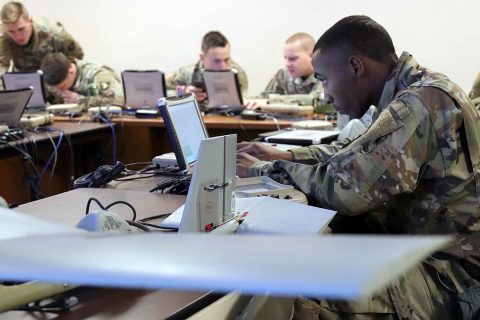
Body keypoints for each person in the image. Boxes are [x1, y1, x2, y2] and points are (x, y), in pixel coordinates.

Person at [237, 15, 480, 319]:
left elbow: (345, 189)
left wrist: (261, 171)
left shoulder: (420, 102)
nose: (325, 94)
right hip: (425, 251)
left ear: (356, 66)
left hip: (452, 277)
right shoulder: (406, 92)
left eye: (324, 79)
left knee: (293, 290)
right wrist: (285, 156)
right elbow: (351, 154)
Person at [0, 1, 83, 73]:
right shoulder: (4, 36)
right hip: (24, 81)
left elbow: (77, 57)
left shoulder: (53, 32)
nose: (18, 36)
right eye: (11, 32)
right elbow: (2, 67)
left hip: (54, 81)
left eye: (21, 29)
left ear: (30, 21)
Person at [166, 31, 248, 103]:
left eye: (226, 60)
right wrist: (182, 95)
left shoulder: (236, 72)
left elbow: (243, 99)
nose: (223, 66)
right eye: (217, 61)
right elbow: (159, 95)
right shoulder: (186, 72)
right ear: (202, 58)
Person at [40, 52, 124, 109]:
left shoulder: (97, 74)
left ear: (71, 72)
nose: (59, 91)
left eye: (62, 87)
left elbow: (119, 101)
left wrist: (80, 100)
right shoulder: (50, 79)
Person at [261, 32, 324, 106]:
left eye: (293, 59)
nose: (287, 64)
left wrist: (271, 100)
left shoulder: (326, 75)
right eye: (286, 58)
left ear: (312, 56)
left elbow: (317, 100)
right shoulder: (283, 75)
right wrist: (249, 101)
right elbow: (264, 97)